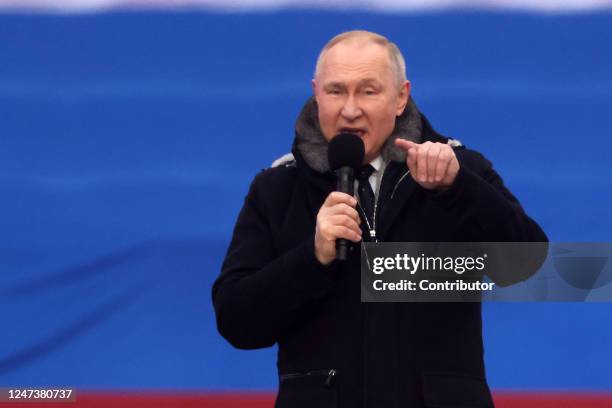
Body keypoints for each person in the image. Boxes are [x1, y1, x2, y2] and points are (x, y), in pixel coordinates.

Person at [212, 30, 547, 408]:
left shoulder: (460, 171)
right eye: (336, 91)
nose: (350, 109)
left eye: (368, 91)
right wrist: (313, 257)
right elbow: (236, 321)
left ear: (401, 96)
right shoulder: (276, 188)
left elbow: (526, 263)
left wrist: (458, 189)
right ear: (316, 93)